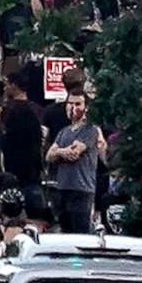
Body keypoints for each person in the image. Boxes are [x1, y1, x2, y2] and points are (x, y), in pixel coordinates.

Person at [44, 93, 105, 235]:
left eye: (78, 104)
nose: (73, 107)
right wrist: (61, 151)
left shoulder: (90, 129)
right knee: (65, 231)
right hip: (62, 187)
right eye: (70, 103)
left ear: (86, 107)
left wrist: (59, 151)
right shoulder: (63, 132)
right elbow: (49, 155)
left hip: (81, 189)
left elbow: (75, 152)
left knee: (81, 233)